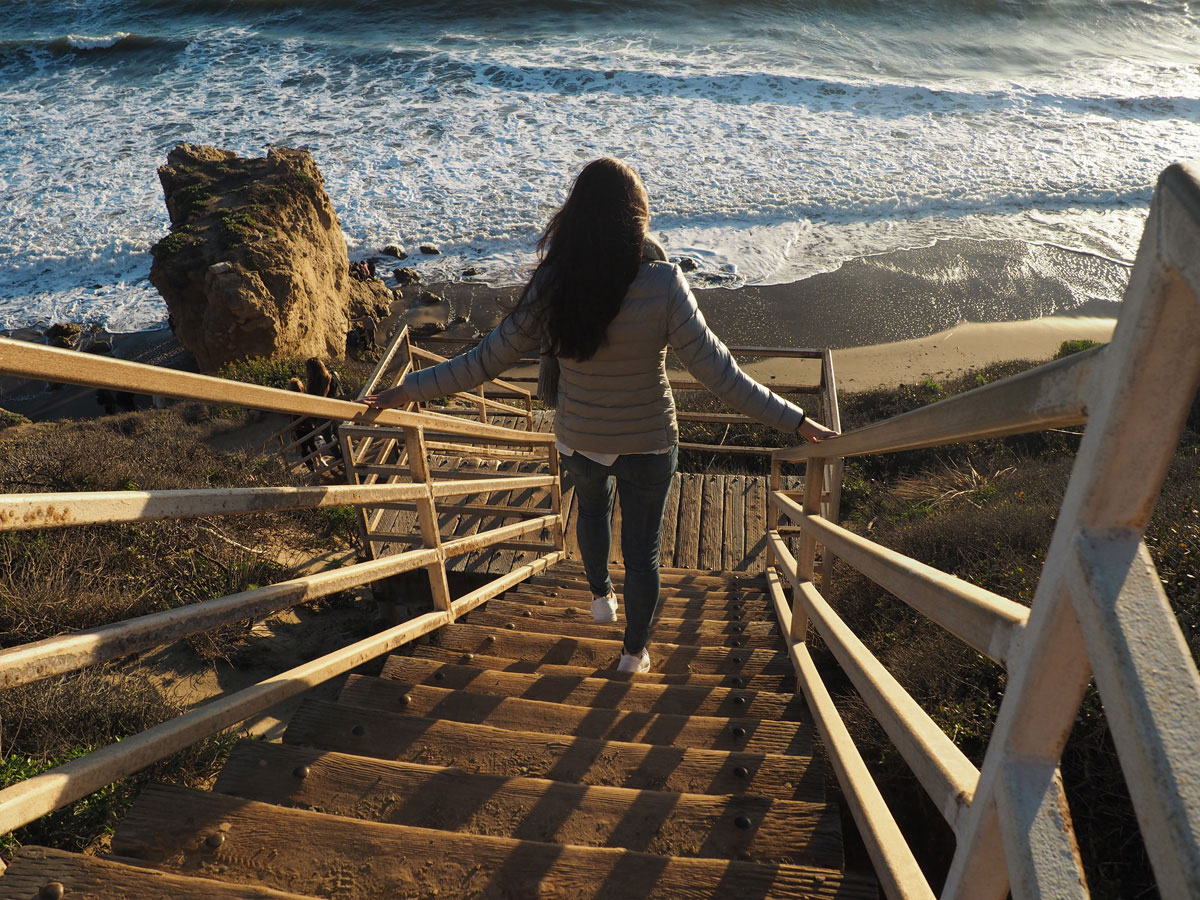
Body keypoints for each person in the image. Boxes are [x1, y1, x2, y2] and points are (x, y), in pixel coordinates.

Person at [367, 157, 837, 673]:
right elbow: (720, 373)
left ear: (576, 215)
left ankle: (599, 597)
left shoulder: (552, 283)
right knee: (644, 556)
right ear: (636, 217)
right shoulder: (663, 283)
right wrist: (796, 420)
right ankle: (633, 655)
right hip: (648, 442)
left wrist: (407, 390)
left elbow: (483, 362)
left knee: (590, 513)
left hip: (580, 438)